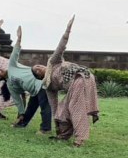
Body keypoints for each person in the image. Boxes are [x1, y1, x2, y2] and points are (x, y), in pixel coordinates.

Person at [35, 16, 99, 147]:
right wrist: (56, 124)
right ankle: (63, 135)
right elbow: (53, 106)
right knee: (62, 111)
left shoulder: (53, 62)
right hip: (79, 82)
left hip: (81, 76)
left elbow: (60, 48)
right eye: (36, 70)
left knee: (75, 108)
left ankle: (80, 140)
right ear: (39, 77)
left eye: (39, 65)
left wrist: (67, 31)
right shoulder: (47, 86)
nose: (39, 67)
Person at [8, 26, 51, 135]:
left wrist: (19, 38)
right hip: (34, 91)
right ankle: (22, 123)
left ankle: (45, 128)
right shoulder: (10, 85)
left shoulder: (12, 66)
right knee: (31, 108)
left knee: (44, 107)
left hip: (41, 84)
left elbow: (15, 53)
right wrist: (21, 113)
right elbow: (17, 99)